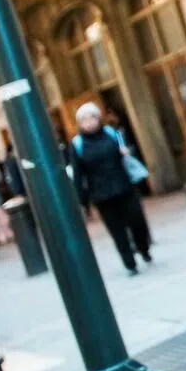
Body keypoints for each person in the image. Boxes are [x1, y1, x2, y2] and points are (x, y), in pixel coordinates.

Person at [69, 101, 152, 275]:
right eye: (84, 120)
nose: (89, 122)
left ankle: (143, 248)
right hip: (102, 195)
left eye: (92, 117)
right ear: (79, 124)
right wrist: (83, 203)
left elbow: (128, 153)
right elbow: (78, 175)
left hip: (124, 186)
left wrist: (126, 152)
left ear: (98, 118)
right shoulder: (78, 144)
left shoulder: (111, 133)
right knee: (117, 231)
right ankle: (129, 263)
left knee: (137, 220)